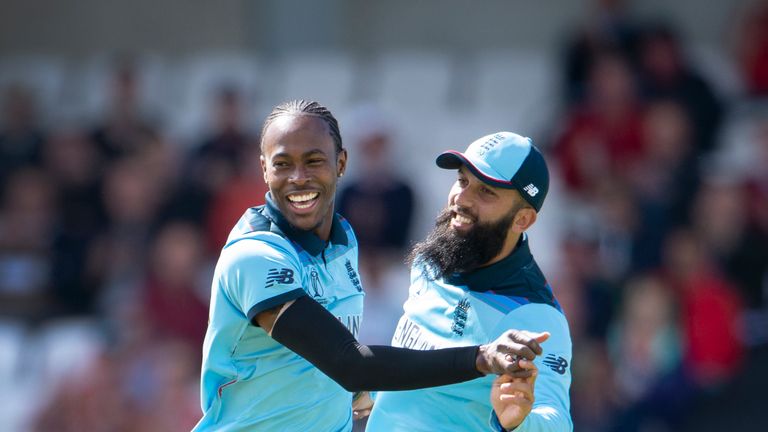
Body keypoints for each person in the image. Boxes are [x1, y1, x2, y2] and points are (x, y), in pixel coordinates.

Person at [193, 101, 550, 431]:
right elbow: (350, 364)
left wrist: (350, 396)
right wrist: (482, 357)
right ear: (264, 169)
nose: (298, 177)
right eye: (282, 163)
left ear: (342, 164)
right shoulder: (255, 255)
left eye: (314, 160)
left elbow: (320, 365)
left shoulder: (343, 239)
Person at [365, 132, 573, 431]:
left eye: (486, 192)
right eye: (462, 181)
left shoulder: (535, 315)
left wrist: (520, 423)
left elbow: (557, 422)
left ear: (523, 220)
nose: (461, 199)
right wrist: (370, 393)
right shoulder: (432, 259)